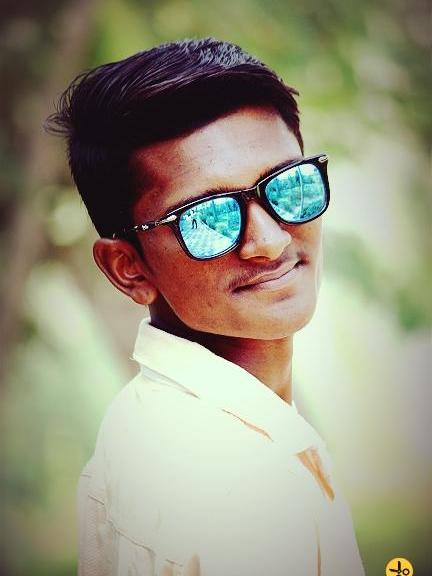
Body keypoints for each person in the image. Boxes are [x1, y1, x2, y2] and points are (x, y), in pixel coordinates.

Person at [48, 38, 365, 576]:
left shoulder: (162, 421)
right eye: (209, 217)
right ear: (129, 268)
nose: (269, 241)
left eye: (288, 185)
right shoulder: (236, 489)